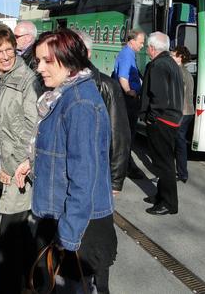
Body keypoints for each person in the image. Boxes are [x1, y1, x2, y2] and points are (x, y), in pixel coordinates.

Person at [16, 29, 117, 294]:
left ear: (69, 59)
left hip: (76, 225)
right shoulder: (62, 95)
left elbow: (85, 178)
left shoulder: (80, 104)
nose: (39, 68)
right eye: (38, 60)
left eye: (47, 61)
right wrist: (31, 162)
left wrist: (68, 235)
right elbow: (59, 153)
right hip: (59, 215)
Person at [0, 24, 41, 294]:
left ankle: (11, 287)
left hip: (18, 168)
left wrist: (12, 165)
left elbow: (32, 128)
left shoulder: (27, 80)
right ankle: (36, 280)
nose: (5, 56)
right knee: (20, 233)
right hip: (1, 165)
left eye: (8, 49)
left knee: (9, 235)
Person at [77, 30, 130, 195]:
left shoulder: (107, 86)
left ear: (88, 53)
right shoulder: (57, 83)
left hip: (92, 172)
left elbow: (118, 134)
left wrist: (115, 180)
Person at [140, 32, 184, 216]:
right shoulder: (171, 63)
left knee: (164, 163)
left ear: (152, 48)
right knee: (163, 162)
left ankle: (168, 203)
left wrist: (151, 117)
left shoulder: (157, 65)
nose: (146, 50)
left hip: (162, 120)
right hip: (172, 118)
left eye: (147, 47)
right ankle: (161, 195)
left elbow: (159, 97)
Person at [112, 29, 145, 179]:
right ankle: (125, 167)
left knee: (128, 134)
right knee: (127, 134)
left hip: (128, 99)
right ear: (132, 41)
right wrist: (128, 91)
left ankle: (126, 165)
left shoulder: (129, 53)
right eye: (141, 42)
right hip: (128, 100)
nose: (142, 46)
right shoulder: (127, 54)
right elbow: (123, 76)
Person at [170, 46, 195, 184]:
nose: (171, 57)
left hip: (181, 111)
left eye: (173, 55)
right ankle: (182, 172)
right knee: (180, 142)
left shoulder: (178, 72)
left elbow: (177, 94)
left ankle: (181, 173)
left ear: (180, 57)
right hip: (188, 111)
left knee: (177, 143)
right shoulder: (187, 73)